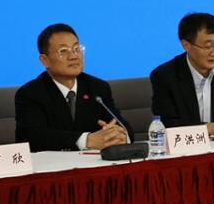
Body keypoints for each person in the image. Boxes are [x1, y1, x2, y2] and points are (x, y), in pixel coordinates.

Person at [15, 23, 134, 152]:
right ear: (45, 60)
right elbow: (32, 138)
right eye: (63, 51)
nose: (74, 56)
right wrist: (87, 140)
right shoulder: (30, 94)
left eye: (77, 48)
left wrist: (119, 136)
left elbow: (123, 127)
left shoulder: (98, 88)